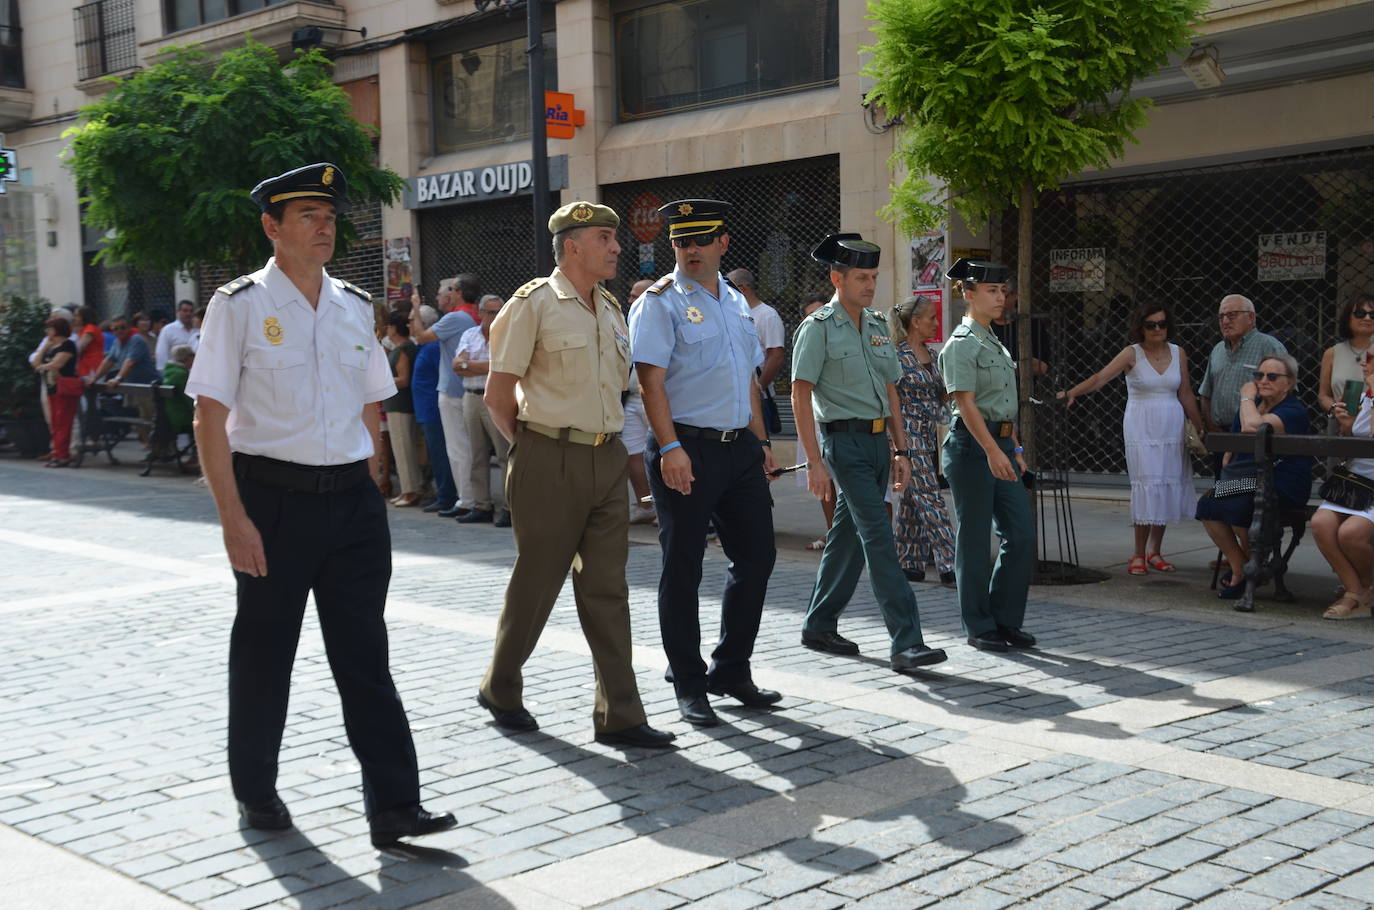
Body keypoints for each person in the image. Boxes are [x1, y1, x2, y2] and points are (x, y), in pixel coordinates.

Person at [186, 162, 454, 845]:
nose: (324, 226)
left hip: (352, 509)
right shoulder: (238, 304)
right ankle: (257, 793)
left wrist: (369, 478)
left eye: (330, 216)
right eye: (308, 216)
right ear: (272, 227)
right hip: (271, 503)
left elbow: (371, 397)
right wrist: (232, 519)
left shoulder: (353, 304)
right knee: (265, 655)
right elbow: (209, 417)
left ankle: (395, 805)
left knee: (366, 654)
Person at [476, 200, 674, 749]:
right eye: (606, 239)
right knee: (537, 582)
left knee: (608, 588)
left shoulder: (610, 308)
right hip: (548, 455)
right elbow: (498, 397)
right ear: (573, 247)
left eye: (614, 239)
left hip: (608, 457)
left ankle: (621, 714)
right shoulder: (533, 304)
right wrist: (536, 452)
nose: (617, 248)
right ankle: (501, 686)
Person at [631, 199, 780, 727]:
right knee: (684, 566)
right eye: (680, 241)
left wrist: (760, 442)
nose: (689, 250)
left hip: (738, 446)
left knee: (758, 558)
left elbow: (747, 378)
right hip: (685, 447)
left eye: (700, 240)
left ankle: (731, 669)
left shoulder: (737, 301)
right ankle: (689, 681)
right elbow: (650, 381)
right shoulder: (659, 302)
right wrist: (669, 448)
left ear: (723, 243)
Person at [791, 233, 947, 673]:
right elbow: (800, 395)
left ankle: (819, 623)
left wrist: (903, 449)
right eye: (861, 277)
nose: (869, 285)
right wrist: (814, 462)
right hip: (844, 443)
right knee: (879, 535)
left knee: (847, 537)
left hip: (880, 443)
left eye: (874, 277)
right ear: (836, 278)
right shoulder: (817, 327)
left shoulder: (878, 325)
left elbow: (890, 389)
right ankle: (907, 640)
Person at [1058, 303, 1204, 575]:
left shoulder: (1178, 352)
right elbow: (1101, 378)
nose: (1158, 329)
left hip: (1171, 426)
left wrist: (1200, 426)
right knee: (1147, 484)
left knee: (1164, 483)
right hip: (1142, 426)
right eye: (1151, 325)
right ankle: (1138, 553)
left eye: (1162, 323)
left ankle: (1155, 552)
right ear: (1141, 328)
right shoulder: (1131, 353)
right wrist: (1071, 392)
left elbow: (1185, 392)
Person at [939, 258, 1037, 653]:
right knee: (975, 539)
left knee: (1021, 535)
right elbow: (966, 403)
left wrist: (1013, 448)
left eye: (1002, 291)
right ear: (969, 294)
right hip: (972, 449)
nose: (1001, 298)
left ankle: (1006, 620)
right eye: (992, 291)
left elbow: (1002, 405)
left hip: (1000, 446)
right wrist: (994, 450)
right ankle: (979, 625)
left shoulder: (993, 339)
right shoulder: (961, 344)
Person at [1195, 353, 1312, 600]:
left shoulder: (1293, 410)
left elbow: (1253, 427)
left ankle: (1250, 571)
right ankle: (1242, 566)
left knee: (1240, 505)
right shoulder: (1254, 405)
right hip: (1251, 480)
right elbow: (1240, 438)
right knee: (1208, 502)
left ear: (1289, 383)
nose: (1263, 380)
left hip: (1282, 483)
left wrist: (1246, 395)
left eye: (1272, 376)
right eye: (1259, 375)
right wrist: (1231, 449)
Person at [889, 295, 956, 585]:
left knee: (913, 502)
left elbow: (941, 394)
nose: (936, 323)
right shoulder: (897, 356)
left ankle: (910, 563)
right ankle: (951, 565)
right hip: (907, 436)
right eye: (931, 317)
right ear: (915, 322)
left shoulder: (933, 354)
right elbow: (889, 398)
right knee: (931, 499)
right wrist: (897, 446)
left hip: (927, 435)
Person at [409, 276, 478, 519]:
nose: (438, 298)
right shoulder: (468, 315)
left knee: (458, 449)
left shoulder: (456, 317)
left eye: (442, 294)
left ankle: (467, 499)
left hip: (454, 390)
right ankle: (467, 498)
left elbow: (420, 335)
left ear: (455, 293)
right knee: (462, 448)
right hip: (461, 388)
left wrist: (416, 307)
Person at [1313, 350, 1374, 619]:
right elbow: (1346, 454)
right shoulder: (1362, 396)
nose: (1364, 363)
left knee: (1350, 533)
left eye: (1371, 358)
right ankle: (1357, 591)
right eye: (1365, 357)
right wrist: (1347, 427)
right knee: (1321, 523)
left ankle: (1360, 592)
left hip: (1372, 488)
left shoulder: (1370, 394)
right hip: (1357, 484)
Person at [1198, 294, 1288, 475]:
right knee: (1222, 492)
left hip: (1255, 437)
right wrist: (1210, 426)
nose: (1225, 321)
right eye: (1221, 316)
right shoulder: (1217, 350)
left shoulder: (1270, 347)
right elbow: (1206, 392)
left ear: (1251, 317)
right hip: (1221, 436)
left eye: (1232, 315)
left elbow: (1285, 394)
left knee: (1248, 493)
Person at [454, 294, 511, 527]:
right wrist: (484, 367)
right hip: (471, 398)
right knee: (476, 455)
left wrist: (470, 365)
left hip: (496, 398)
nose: (494, 316)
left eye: (498, 312)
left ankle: (509, 508)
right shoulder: (469, 335)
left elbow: (501, 368)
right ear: (480, 313)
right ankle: (481, 505)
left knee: (504, 455)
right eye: (490, 312)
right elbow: (456, 365)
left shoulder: (507, 336)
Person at [795, 291, 834, 550]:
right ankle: (832, 532)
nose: (816, 320)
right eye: (810, 316)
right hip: (814, 418)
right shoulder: (806, 339)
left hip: (843, 419)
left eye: (820, 313)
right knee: (822, 479)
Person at [725, 268, 785, 434]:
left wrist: (759, 389)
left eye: (729, 288)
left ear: (743, 288)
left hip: (758, 399)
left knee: (758, 449)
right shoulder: (732, 314)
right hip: (733, 400)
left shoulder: (767, 315)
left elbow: (776, 356)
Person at [411, 305, 456, 514]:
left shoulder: (431, 347)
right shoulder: (425, 347)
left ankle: (447, 495)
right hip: (426, 409)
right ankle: (443, 493)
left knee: (440, 454)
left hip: (433, 410)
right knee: (435, 454)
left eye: (413, 320)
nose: (409, 325)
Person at [623, 279, 657, 524]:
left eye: (635, 296)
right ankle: (646, 505)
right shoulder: (625, 323)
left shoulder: (664, 321)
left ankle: (666, 505)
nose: (629, 300)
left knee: (662, 453)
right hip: (631, 399)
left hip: (658, 399)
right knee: (631, 452)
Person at [383, 313, 422, 507]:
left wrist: (381, 382)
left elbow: (403, 378)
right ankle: (411, 488)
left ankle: (410, 490)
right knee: (404, 448)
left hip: (400, 405)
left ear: (394, 328)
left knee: (403, 448)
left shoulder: (404, 349)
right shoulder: (401, 348)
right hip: (398, 404)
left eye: (389, 327)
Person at [32, 317, 80, 467]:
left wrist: (43, 367)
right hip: (52, 387)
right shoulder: (51, 345)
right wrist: (45, 346)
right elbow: (35, 361)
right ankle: (58, 453)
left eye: (50, 328)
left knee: (64, 422)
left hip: (64, 388)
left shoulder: (68, 345)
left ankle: (63, 455)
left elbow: (57, 363)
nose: (47, 331)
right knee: (55, 422)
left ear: (58, 329)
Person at [1317, 290, 1374, 416]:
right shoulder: (1332, 353)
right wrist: (1334, 407)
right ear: (1348, 317)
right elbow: (1323, 396)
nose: (1367, 318)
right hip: (1341, 424)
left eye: (1372, 315)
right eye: (1360, 314)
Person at [990, 279, 1050, 376]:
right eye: (993, 295)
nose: (998, 300)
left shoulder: (1031, 323)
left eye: (1004, 295)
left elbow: (1041, 366)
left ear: (1015, 295)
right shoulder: (984, 323)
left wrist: (997, 367)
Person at [90, 315, 160, 387]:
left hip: (148, 385)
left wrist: (117, 379)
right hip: (133, 385)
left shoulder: (136, 339)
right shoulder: (117, 342)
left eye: (122, 327)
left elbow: (130, 362)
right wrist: (95, 378)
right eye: (115, 328)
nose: (119, 331)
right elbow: (108, 361)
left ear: (129, 327)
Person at [161, 344, 196, 439]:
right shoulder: (181, 374)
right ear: (187, 358)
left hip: (169, 414)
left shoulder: (168, 371)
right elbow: (189, 400)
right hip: (181, 417)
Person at [155, 300, 199, 370]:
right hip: (176, 372)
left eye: (191, 311)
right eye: (185, 311)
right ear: (178, 312)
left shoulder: (199, 330)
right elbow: (162, 353)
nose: (188, 314)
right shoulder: (168, 330)